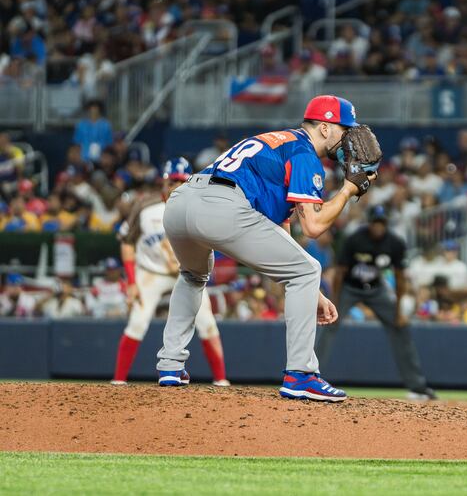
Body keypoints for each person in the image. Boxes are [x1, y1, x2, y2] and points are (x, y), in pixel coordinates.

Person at [155, 95, 374, 402]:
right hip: (222, 206)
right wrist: (349, 189)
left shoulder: (277, 140)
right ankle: (301, 375)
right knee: (309, 269)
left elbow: (279, 236)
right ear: (324, 128)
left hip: (181, 203)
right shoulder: (304, 153)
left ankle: (170, 365)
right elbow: (313, 227)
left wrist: (314, 294)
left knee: (192, 275)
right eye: (343, 128)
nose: (348, 138)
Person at [111, 158, 229, 387]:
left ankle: (221, 380)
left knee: (207, 323)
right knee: (137, 322)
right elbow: (127, 242)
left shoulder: (201, 205)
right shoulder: (145, 206)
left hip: (187, 272)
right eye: (172, 181)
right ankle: (118, 381)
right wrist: (132, 281)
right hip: (151, 272)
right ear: (163, 183)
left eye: (182, 181)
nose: (176, 185)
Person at [316, 205, 436, 400]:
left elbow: (400, 277)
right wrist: (335, 301)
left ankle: (417, 386)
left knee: (401, 328)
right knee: (328, 324)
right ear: (369, 223)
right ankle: (311, 376)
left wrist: (398, 311)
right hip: (349, 288)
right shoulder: (355, 239)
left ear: (386, 224)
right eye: (375, 223)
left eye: (382, 223)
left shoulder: (394, 243)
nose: (378, 227)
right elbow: (339, 273)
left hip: (376, 289)